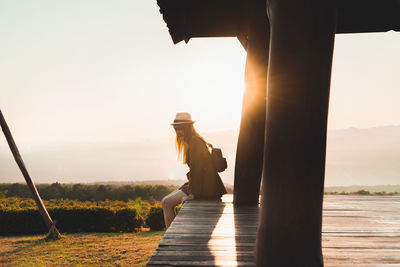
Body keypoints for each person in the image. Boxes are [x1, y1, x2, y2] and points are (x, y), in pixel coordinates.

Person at [161, 112, 227, 229]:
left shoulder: (194, 141)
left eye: (181, 129)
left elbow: (197, 168)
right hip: (202, 183)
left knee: (166, 203)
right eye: (176, 129)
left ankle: (172, 239)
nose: (178, 132)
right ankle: (173, 235)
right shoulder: (192, 141)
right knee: (166, 202)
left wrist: (192, 194)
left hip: (206, 186)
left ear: (188, 127)